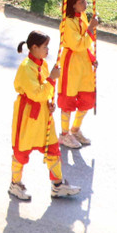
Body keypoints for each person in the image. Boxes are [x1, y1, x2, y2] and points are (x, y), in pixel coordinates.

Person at [9, 30, 80, 202]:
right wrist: (51, 81)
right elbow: (35, 93)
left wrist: (49, 101)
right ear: (34, 47)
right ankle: (15, 184)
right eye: (45, 47)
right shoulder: (26, 67)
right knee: (21, 151)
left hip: (43, 114)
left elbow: (44, 94)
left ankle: (57, 185)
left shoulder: (43, 64)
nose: (48, 50)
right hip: (27, 115)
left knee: (53, 148)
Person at [56, 0, 99, 149]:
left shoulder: (81, 16)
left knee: (86, 97)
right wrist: (90, 28)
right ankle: (64, 134)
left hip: (84, 62)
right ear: (73, 4)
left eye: (85, 0)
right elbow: (78, 44)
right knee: (69, 98)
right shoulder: (67, 22)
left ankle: (75, 129)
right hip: (71, 63)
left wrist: (92, 58)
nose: (85, 4)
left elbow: (87, 43)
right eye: (82, 2)